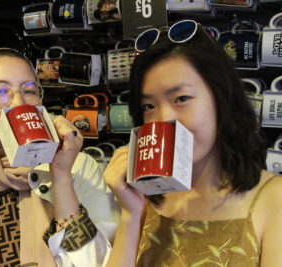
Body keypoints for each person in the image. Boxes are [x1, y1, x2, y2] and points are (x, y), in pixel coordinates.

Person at [104, 20, 282, 267]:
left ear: (220, 97)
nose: (165, 119)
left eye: (181, 98)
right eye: (149, 106)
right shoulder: (144, 197)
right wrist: (130, 214)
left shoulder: (274, 199)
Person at [0, 48, 120, 267]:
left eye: (29, 90)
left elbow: (107, 262)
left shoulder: (80, 169)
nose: (19, 103)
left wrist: (61, 177)